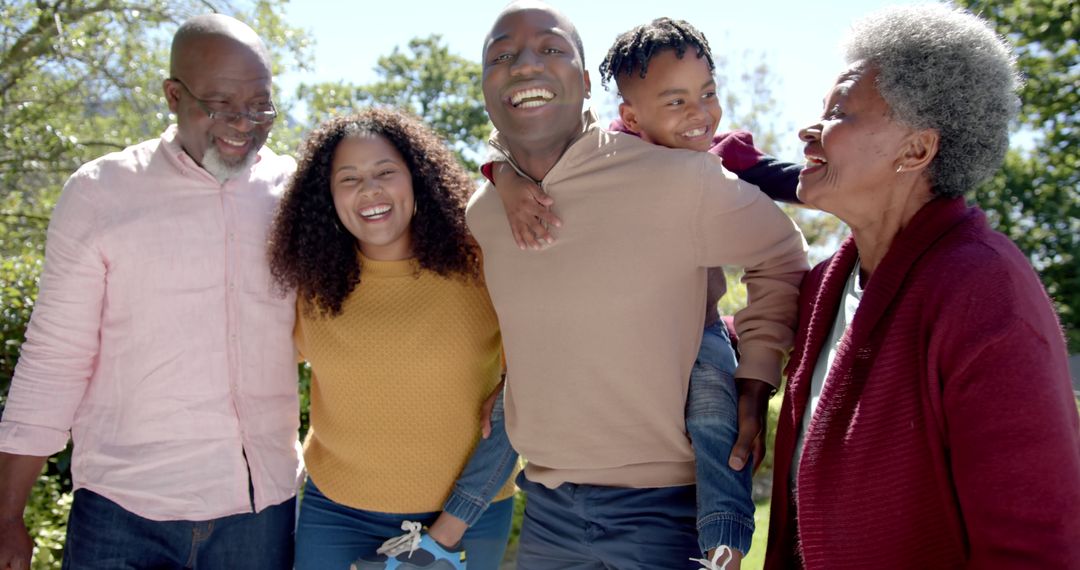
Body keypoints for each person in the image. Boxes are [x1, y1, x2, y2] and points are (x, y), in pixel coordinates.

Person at [467, 2, 809, 568]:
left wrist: (755, 376)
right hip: (547, 508)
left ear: (583, 84)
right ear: (485, 87)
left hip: (665, 513)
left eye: (551, 49)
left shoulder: (683, 177)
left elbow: (780, 254)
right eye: (501, 55)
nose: (525, 64)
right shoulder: (482, 211)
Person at [765, 5, 1080, 568]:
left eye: (839, 113)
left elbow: (1035, 542)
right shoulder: (823, 287)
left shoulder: (985, 290)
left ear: (916, 150)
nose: (807, 131)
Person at [0, 14, 300, 570]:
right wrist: (6, 513)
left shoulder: (296, 192)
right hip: (121, 514)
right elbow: (55, 356)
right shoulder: (100, 193)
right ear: (172, 94)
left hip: (260, 515)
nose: (244, 122)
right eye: (220, 103)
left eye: (260, 104)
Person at [267, 109, 518, 570]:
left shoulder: (481, 262)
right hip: (337, 512)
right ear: (327, 195)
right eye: (349, 178)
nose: (370, 189)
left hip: (469, 515)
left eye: (386, 172)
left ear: (417, 178)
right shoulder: (311, 283)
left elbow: (540, 371)